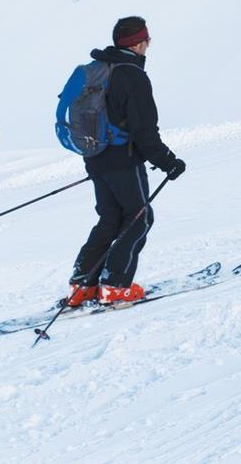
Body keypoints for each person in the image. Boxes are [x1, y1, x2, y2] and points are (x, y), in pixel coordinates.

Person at [67, 16, 186, 306]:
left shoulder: (96, 70)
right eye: (147, 39)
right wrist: (168, 162)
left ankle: (83, 285)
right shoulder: (132, 76)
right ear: (138, 43)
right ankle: (115, 285)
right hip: (123, 160)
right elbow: (145, 131)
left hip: (94, 157)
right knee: (138, 217)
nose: (148, 44)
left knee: (110, 218)